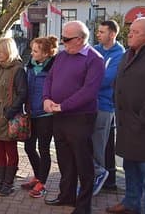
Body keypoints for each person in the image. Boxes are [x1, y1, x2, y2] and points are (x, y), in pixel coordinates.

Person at [43, 20, 105, 214]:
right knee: (64, 159)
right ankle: (66, 196)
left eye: (66, 39)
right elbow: (49, 78)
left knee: (82, 161)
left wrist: (63, 106)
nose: (62, 42)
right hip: (59, 115)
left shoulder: (94, 59)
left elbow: (89, 91)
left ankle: (83, 205)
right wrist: (46, 99)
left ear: (79, 39)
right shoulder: (62, 56)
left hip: (80, 117)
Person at [106, 17, 145, 214]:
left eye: (136, 32)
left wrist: (141, 121)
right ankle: (131, 203)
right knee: (130, 171)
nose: (130, 34)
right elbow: (119, 83)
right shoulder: (129, 54)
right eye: (130, 30)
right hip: (127, 127)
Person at [0, 37, 27, 196]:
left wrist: (9, 112)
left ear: (9, 50)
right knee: (0, 151)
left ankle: (8, 184)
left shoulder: (17, 70)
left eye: (1, 51)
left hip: (7, 117)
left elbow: (23, 94)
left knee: (10, 151)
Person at [90, 20, 125, 196]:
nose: (98, 34)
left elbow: (107, 79)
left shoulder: (119, 54)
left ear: (112, 34)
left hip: (104, 105)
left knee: (99, 146)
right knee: (84, 142)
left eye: (102, 32)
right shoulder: (96, 48)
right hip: (89, 103)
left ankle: (100, 179)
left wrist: (87, 81)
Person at [20, 36, 57, 198]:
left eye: (36, 51)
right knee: (28, 147)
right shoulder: (29, 65)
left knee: (43, 149)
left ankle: (42, 183)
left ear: (46, 53)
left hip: (46, 115)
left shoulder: (54, 67)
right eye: (32, 50)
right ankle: (37, 176)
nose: (32, 53)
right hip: (31, 113)